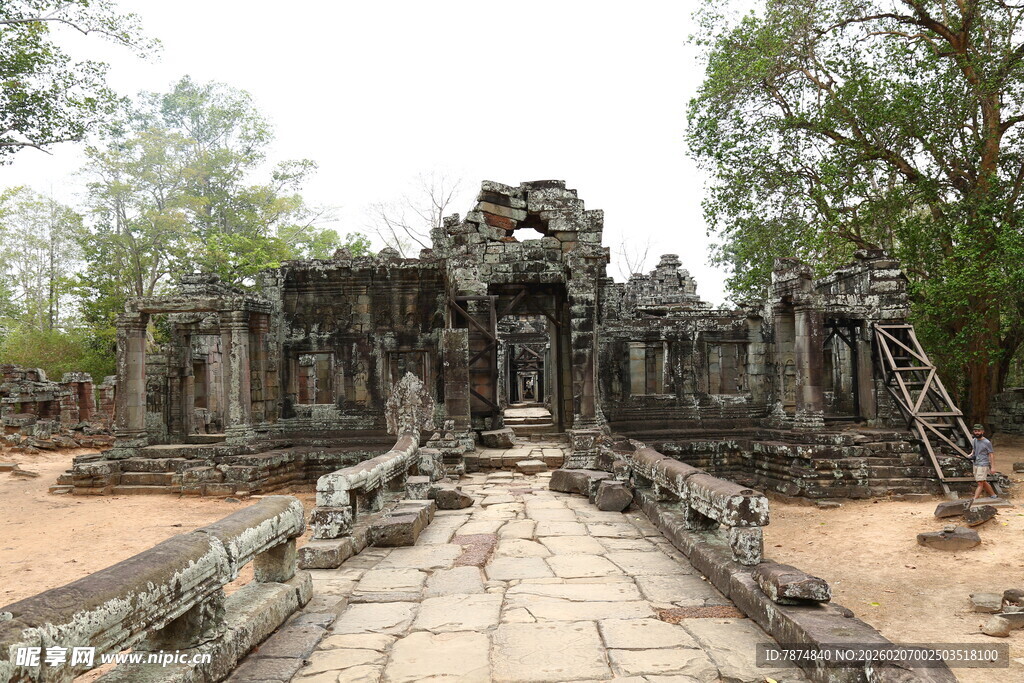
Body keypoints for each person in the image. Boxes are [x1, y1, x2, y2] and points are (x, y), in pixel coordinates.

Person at [969, 423, 997, 500]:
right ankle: (993, 495)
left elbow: (991, 454)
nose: (977, 433)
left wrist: (993, 467)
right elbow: (974, 449)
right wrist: (971, 454)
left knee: (980, 482)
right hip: (976, 463)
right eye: (975, 431)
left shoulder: (987, 442)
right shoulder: (974, 440)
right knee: (982, 481)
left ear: (982, 432)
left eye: (978, 431)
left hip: (983, 464)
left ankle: (975, 498)